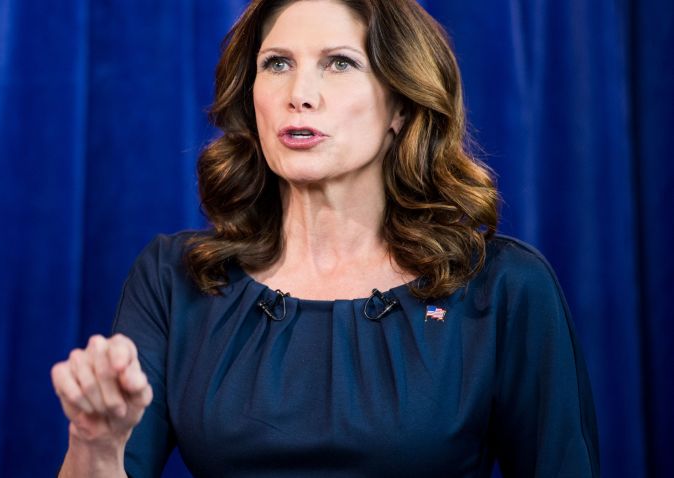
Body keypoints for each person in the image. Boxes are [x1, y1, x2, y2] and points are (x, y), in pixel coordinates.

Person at [51, 0, 600, 476]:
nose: (299, 94)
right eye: (277, 64)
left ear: (401, 107)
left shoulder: (502, 289)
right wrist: (96, 442)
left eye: (339, 63)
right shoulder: (178, 278)